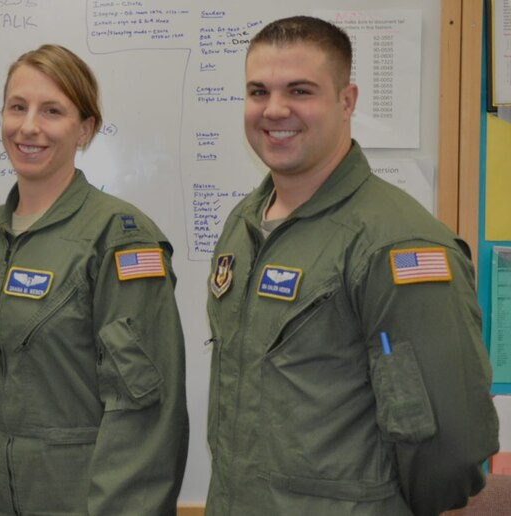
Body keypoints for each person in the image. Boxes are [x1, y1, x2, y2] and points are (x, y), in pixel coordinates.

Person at [205, 16, 500, 515]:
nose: (274, 109)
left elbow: (450, 445)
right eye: (258, 92)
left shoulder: (395, 243)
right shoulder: (245, 223)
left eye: (300, 90)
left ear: (347, 101)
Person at [0, 44, 189, 515]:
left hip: (84, 499)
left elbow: (145, 413)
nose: (29, 127)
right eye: (17, 107)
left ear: (85, 128)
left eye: (52, 110)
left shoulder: (119, 238)